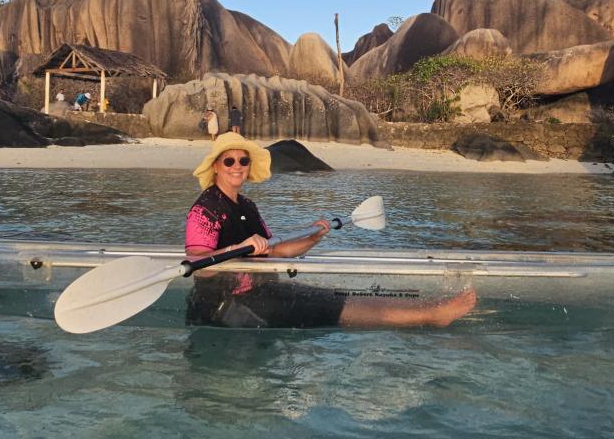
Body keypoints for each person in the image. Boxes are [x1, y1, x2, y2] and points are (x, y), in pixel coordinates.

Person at [184, 132, 477, 328]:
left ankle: (427, 309)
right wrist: (236, 249)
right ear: (217, 167)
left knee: (331, 296)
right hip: (227, 307)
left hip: (262, 291)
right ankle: (432, 316)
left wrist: (313, 238)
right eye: (229, 161)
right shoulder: (205, 209)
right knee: (334, 306)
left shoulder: (246, 204)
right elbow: (199, 264)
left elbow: (274, 252)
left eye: (243, 160)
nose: (237, 166)